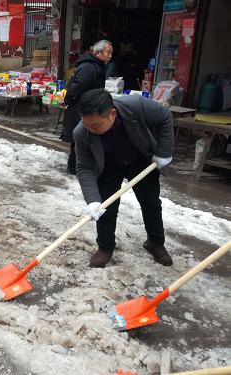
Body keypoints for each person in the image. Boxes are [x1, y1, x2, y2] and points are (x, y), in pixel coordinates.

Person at [73, 89, 174, 268]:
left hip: (141, 160)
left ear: (112, 114)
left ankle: (155, 243)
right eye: (86, 124)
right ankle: (105, 247)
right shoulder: (81, 132)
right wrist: (93, 201)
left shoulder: (135, 106)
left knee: (150, 202)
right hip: (108, 165)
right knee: (106, 206)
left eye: (95, 126)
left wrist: (163, 152)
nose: (90, 130)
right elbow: (84, 167)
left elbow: (165, 117)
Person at [61, 39, 113, 175]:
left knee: (83, 138)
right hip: (82, 108)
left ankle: (78, 166)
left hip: (86, 107)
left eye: (111, 53)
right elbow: (77, 86)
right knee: (80, 139)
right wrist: (71, 100)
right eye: (108, 52)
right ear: (98, 53)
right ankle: (74, 168)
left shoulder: (95, 65)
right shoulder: (90, 67)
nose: (110, 56)